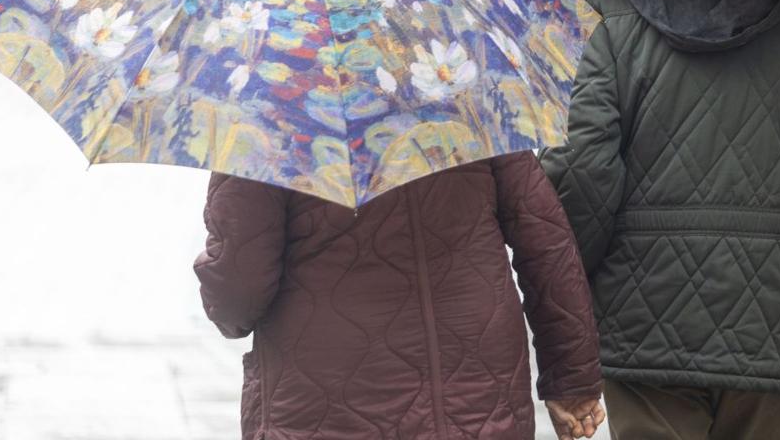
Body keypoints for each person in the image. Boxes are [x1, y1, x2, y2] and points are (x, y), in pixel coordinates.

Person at [541, 0, 780, 440]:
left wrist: (580, 288)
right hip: (767, 314)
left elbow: (581, 172)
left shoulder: (605, 14)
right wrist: (775, 230)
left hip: (644, 314)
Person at [195, 151, 607, 440]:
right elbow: (545, 243)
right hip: (474, 392)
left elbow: (239, 291)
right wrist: (571, 377)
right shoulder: (465, 86)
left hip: (324, 401)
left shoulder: (267, 110)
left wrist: (220, 296)